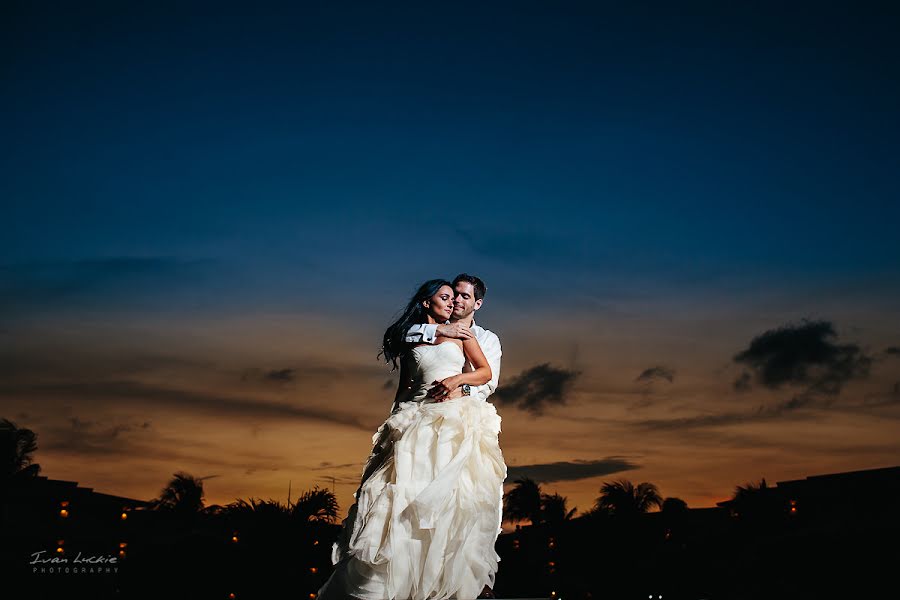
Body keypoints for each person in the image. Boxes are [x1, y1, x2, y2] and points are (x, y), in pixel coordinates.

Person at [316, 278, 507, 600]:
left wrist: (457, 384)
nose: (456, 301)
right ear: (429, 301)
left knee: (462, 503)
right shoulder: (420, 332)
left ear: (477, 303)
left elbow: (488, 378)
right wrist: (397, 419)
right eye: (450, 295)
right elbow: (401, 349)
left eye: (462, 296)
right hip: (418, 419)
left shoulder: (482, 338)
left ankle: (461, 580)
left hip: (459, 422)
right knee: (398, 498)